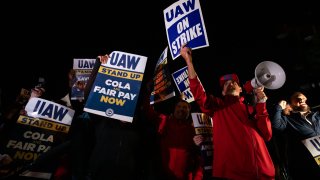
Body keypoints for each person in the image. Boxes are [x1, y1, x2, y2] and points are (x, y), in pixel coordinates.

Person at [180, 44, 275, 179]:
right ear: (223, 92)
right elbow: (199, 94)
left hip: (264, 174)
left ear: (241, 88)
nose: (229, 83)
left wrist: (261, 104)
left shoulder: (252, 109)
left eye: (233, 82)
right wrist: (189, 62)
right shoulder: (218, 106)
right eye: (225, 84)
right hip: (231, 174)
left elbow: (267, 135)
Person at [143, 89, 203, 180]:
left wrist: (197, 177)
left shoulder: (194, 130)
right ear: (174, 109)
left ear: (188, 112)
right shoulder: (164, 120)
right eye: (179, 106)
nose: (181, 109)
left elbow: (199, 157)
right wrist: (148, 91)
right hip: (162, 175)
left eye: (184, 107)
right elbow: (147, 110)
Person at [271, 91, 320, 179]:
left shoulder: (317, 116)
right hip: (306, 168)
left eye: (303, 97)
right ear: (290, 104)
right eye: (297, 99)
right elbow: (276, 126)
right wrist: (278, 107)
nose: (301, 100)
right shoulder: (288, 120)